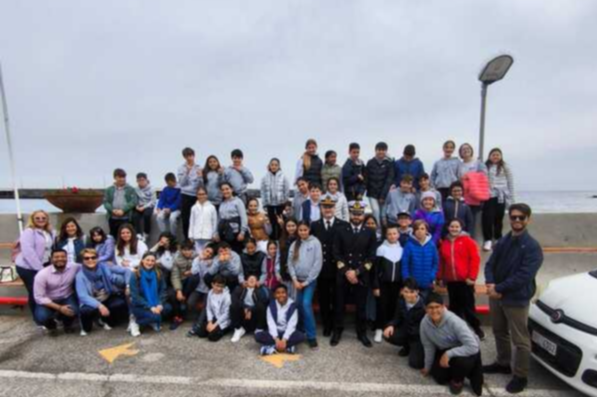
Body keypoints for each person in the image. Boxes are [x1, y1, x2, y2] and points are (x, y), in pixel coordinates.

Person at [483, 203, 543, 394]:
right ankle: (502, 363)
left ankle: (521, 375)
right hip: (496, 295)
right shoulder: (503, 240)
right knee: (499, 331)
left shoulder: (532, 247)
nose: (517, 220)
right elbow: (490, 264)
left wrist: (499, 288)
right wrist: (491, 284)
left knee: (521, 340)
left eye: (521, 217)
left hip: (516, 298)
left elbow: (524, 276)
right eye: (514, 217)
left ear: (528, 219)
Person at [332, 201, 378, 347]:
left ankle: (361, 333)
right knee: (339, 305)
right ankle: (337, 331)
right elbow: (336, 253)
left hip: (361, 275)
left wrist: (357, 272)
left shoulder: (370, 232)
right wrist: (347, 271)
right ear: (350, 214)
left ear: (363, 215)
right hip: (343, 274)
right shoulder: (340, 230)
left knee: (361, 306)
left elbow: (371, 257)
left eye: (359, 214)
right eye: (354, 214)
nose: (356, 217)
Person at [420, 292, 483, 396]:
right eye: (430, 307)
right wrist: (427, 367)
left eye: (437, 307)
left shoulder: (454, 321)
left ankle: (458, 380)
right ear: (425, 309)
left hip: (468, 349)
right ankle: (458, 371)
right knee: (439, 378)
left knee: (462, 363)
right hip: (447, 349)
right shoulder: (424, 323)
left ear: (443, 306)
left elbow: (473, 346)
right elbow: (428, 347)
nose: (434, 310)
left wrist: (448, 354)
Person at [438, 219, 484, 339]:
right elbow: (442, 262)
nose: (454, 229)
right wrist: (441, 277)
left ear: (461, 228)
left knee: (468, 306)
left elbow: (475, 260)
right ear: (448, 228)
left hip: (465, 281)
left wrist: (472, 277)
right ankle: (456, 330)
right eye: (452, 226)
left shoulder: (468, 241)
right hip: (452, 281)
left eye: (457, 227)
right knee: (454, 307)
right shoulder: (445, 243)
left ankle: (476, 328)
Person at [310, 196, 349, 337]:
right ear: (321, 209)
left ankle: (338, 326)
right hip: (322, 269)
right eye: (325, 207)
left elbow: (346, 247)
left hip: (338, 269)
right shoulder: (314, 225)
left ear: (334, 208)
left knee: (338, 299)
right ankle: (327, 325)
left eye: (330, 206)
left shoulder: (343, 224)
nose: (328, 209)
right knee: (324, 299)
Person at [76, 248, 128, 336]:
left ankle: (105, 319)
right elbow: (82, 296)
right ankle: (92, 321)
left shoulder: (105, 267)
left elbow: (126, 271)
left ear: (97, 258)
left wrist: (127, 286)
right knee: (86, 313)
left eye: (93, 257)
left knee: (119, 303)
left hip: (107, 296)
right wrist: (100, 306)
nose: (90, 260)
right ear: (82, 260)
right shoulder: (80, 276)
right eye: (87, 258)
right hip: (92, 300)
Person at [288, 221, 323, 349]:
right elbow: (290, 263)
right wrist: (295, 280)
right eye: (300, 230)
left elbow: (317, 264)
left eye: (305, 230)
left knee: (306, 304)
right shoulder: (294, 244)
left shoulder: (315, 243)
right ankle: (300, 330)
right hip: (297, 281)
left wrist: (306, 282)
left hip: (309, 281)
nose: (303, 232)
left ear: (309, 230)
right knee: (297, 304)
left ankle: (311, 336)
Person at [15, 210, 56, 316]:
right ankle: (38, 318)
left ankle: (47, 313)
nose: (41, 220)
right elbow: (29, 252)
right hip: (27, 267)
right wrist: (40, 269)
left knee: (45, 291)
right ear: (32, 219)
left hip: (44, 264)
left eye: (43, 218)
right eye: (37, 218)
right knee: (34, 292)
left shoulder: (49, 232)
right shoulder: (29, 232)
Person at [33, 249, 81, 334]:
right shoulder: (42, 274)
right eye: (56, 257)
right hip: (48, 300)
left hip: (66, 296)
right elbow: (39, 297)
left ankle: (67, 324)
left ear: (67, 258)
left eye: (63, 256)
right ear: (51, 259)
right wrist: (60, 308)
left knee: (74, 310)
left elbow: (88, 264)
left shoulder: (74, 267)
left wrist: (108, 264)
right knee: (42, 317)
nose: (60, 259)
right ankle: (51, 326)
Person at [383, 278, 426, 369]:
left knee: (416, 364)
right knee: (388, 334)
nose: (408, 295)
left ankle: (414, 347)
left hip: (418, 336)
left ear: (417, 291)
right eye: (406, 292)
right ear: (402, 291)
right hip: (407, 330)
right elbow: (397, 318)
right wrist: (390, 325)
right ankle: (407, 346)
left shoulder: (424, 306)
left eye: (411, 292)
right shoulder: (400, 301)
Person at [128, 252, 172, 336]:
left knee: (167, 308)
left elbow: (163, 290)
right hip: (140, 305)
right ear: (142, 261)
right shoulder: (135, 274)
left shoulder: (158, 273)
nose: (150, 263)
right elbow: (135, 296)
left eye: (152, 260)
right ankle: (135, 322)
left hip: (155, 302)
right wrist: (150, 307)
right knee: (155, 316)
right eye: (147, 260)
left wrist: (159, 304)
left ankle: (151, 320)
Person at [372, 225, 403, 343]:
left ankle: (389, 328)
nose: (392, 236)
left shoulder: (402, 249)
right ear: (386, 235)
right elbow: (375, 270)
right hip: (383, 284)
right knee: (381, 306)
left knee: (394, 307)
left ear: (398, 235)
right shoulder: (381, 249)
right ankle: (379, 328)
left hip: (396, 284)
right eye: (389, 234)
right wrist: (375, 286)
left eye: (394, 233)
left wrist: (403, 286)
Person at [255, 284, 305, 355]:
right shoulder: (271, 306)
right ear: (275, 295)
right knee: (257, 336)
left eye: (283, 292)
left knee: (301, 336)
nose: (281, 295)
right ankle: (288, 347)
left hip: (288, 332)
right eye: (278, 293)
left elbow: (292, 325)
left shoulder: (293, 306)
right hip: (275, 332)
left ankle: (271, 348)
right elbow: (271, 323)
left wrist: (284, 339)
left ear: (287, 294)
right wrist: (276, 339)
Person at [482, 148, 515, 252]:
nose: (495, 157)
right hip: (489, 195)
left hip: (501, 195)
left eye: (497, 155)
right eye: (493, 155)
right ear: (489, 156)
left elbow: (510, 182)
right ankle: (488, 240)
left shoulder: (505, 167)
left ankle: (498, 239)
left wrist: (511, 199)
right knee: (487, 218)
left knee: (498, 218)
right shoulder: (485, 166)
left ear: (501, 156)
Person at [187, 244, 219, 337]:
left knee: (206, 307)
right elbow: (194, 271)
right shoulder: (197, 260)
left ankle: (198, 325)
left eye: (211, 253)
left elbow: (213, 272)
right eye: (207, 251)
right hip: (198, 288)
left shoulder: (213, 262)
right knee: (190, 302)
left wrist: (212, 262)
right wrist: (198, 259)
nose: (208, 254)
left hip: (208, 289)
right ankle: (199, 318)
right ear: (203, 250)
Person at [458, 143, 489, 238]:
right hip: (463, 196)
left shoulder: (478, 163)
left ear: (471, 150)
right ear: (461, 153)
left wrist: (469, 176)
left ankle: (471, 242)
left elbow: (484, 177)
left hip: (475, 196)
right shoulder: (460, 165)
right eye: (463, 149)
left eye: (468, 148)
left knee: (472, 221)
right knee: (463, 220)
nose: (466, 150)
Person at [169, 240, 201, 329]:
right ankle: (177, 317)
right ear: (181, 250)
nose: (187, 252)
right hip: (181, 282)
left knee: (194, 277)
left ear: (192, 250)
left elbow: (201, 270)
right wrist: (179, 291)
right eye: (185, 250)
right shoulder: (176, 259)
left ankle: (184, 298)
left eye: (189, 249)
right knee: (172, 294)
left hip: (192, 285)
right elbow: (175, 276)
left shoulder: (197, 257)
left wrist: (191, 271)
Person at [401, 220, 439, 295]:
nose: (419, 231)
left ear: (426, 231)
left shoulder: (431, 245)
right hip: (413, 285)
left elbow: (435, 263)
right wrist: (407, 280)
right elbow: (405, 265)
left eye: (422, 229)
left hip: (427, 283)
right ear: (414, 231)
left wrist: (432, 276)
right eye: (417, 229)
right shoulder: (408, 245)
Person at [230, 274, 269, 343]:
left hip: (255, 316)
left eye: (254, 279)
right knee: (233, 306)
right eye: (250, 279)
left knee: (261, 306)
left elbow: (263, 301)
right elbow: (234, 299)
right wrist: (245, 308)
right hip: (243, 315)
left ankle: (259, 329)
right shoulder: (240, 289)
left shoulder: (260, 290)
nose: (251, 280)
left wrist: (250, 309)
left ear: (257, 282)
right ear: (246, 281)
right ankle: (238, 329)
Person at [365, 142, 395, 228]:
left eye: (383, 150)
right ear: (375, 150)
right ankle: (377, 233)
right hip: (372, 193)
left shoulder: (389, 163)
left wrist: (382, 196)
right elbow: (367, 178)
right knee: (375, 212)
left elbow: (389, 179)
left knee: (383, 215)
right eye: (379, 150)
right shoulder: (370, 162)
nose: (381, 152)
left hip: (384, 194)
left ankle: (384, 234)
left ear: (386, 151)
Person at [261, 158, 291, 240]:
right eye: (272, 165)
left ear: (279, 166)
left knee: (280, 222)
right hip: (270, 204)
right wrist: (264, 204)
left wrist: (284, 202)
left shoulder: (283, 177)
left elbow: (286, 190)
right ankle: (273, 240)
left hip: (280, 204)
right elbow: (263, 192)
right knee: (271, 222)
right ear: (269, 166)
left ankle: (281, 238)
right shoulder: (265, 177)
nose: (274, 166)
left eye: (276, 165)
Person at [196, 275, 232, 342]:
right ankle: (213, 329)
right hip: (214, 318)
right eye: (217, 286)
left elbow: (226, 314)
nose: (219, 288)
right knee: (200, 333)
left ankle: (225, 330)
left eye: (221, 286)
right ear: (212, 284)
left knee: (212, 337)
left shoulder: (227, 296)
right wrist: (210, 322)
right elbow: (208, 308)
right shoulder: (210, 292)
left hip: (223, 320)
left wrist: (215, 325)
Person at [177, 147, 203, 240]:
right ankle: (187, 239)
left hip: (196, 196)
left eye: (191, 155)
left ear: (194, 155)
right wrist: (187, 172)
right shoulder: (181, 168)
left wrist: (200, 176)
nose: (189, 158)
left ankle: (197, 238)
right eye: (187, 156)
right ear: (184, 157)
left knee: (197, 218)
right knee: (186, 219)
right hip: (185, 195)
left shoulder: (199, 167)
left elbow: (201, 184)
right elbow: (182, 183)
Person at [103, 168, 138, 238]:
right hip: (112, 218)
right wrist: (113, 210)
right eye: (120, 177)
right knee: (113, 237)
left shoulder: (131, 189)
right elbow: (105, 202)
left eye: (123, 177)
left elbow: (134, 201)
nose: (122, 179)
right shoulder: (109, 189)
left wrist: (123, 210)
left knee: (126, 237)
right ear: (115, 177)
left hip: (126, 218)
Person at [216, 182, 248, 254]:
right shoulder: (222, 204)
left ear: (232, 189)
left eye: (227, 189)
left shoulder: (238, 201)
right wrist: (217, 232)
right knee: (225, 253)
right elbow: (219, 219)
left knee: (236, 252)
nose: (225, 191)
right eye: (223, 190)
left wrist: (242, 232)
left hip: (236, 233)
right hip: (224, 232)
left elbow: (244, 217)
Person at [188, 187, 218, 254]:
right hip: (197, 236)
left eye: (203, 194)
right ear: (197, 195)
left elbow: (214, 222)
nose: (201, 196)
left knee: (207, 254)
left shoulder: (211, 207)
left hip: (208, 236)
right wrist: (191, 235)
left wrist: (214, 234)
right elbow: (191, 222)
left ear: (206, 195)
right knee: (198, 255)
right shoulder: (194, 208)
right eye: (199, 194)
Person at [132, 172, 156, 242]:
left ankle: (146, 233)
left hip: (148, 205)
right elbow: (135, 199)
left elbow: (153, 201)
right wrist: (136, 206)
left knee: (147, 215)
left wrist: (144, 207)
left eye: (143, 180)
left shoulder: (152, 188)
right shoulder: (136, 189)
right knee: (135, 216)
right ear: (137, 181)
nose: (141, 182)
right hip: (139, 206)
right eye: (139, 180)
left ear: (146, 180)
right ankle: (138, 234)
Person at [278, 218, 298, 294]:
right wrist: (278, 272)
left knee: (295, 296)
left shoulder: (300, 239)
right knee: (286, 294)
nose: (291, 228)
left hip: (296, 273)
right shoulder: (282, 240)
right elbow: (278, 257)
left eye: (293, 225)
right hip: (284, 272)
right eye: (288, 226)